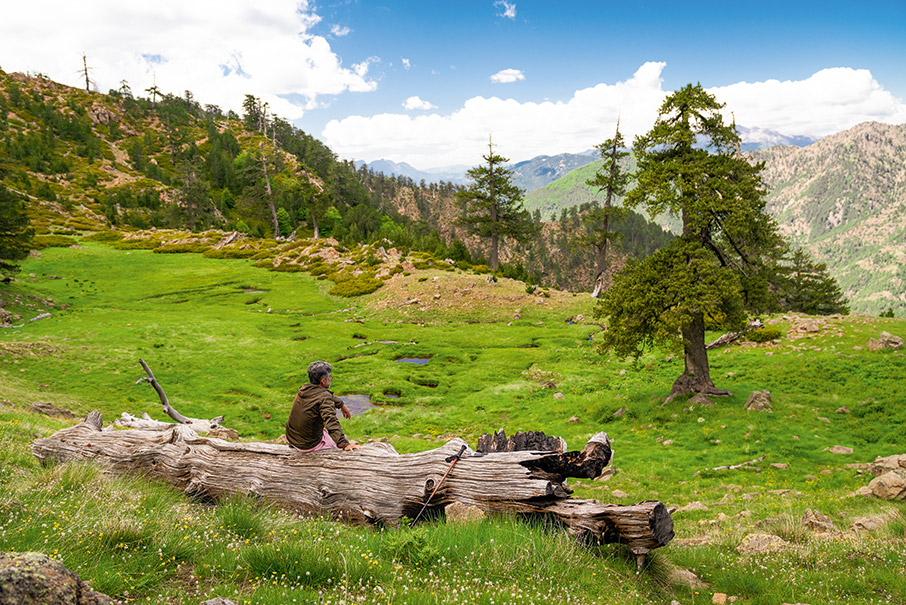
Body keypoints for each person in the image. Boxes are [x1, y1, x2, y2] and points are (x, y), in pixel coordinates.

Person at [285, 361, 360, 452]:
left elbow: (324, 395)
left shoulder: (304, 389)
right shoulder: (324, 397)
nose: (331, 378)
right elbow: (331, 421)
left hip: (293, 439)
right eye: (329, 377)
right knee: (343, 439)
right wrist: (344, 443)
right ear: (323, 381)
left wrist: (341, 405)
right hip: (308, 445)